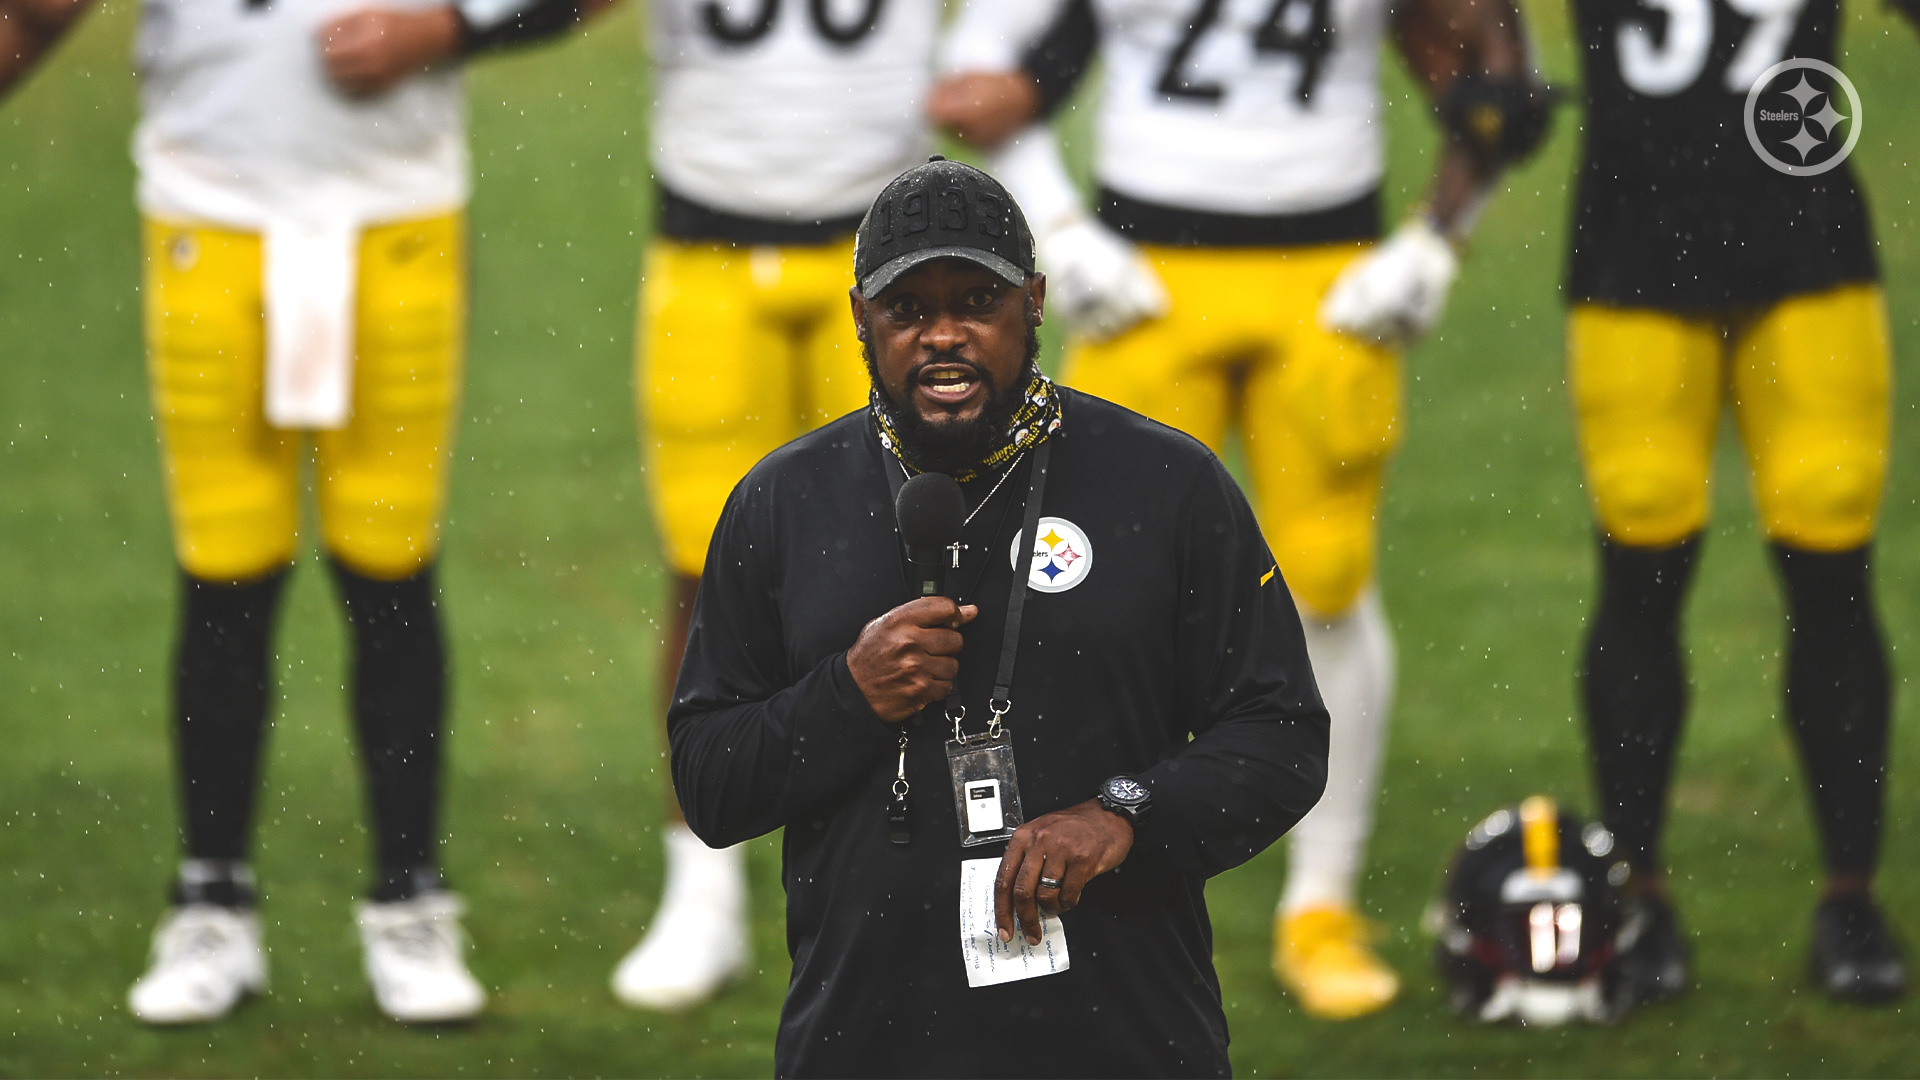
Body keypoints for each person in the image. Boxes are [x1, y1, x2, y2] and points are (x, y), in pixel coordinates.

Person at [928, 0, 1551, 1018]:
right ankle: (1076, 879)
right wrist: (1060, 224)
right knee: (1083, 591)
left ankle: (1320, 905)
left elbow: (1500, 82)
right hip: (1141, 275)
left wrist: (1441, 236)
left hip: (1325, 275)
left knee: (1331, 584)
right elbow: (976, 68)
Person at [669, 156, 1330, 1077]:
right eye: (909, 311)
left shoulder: (1168, 486)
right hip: (868, 1044)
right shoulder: (784, 504)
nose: (944, 337)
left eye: (976, 302)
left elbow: (1281, 733)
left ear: (1035, 302)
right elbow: (708, 782)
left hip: (1123, 1038)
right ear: (861, 317)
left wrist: (1123, 816)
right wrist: (847, 696)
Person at [109, 0, 601, 1024]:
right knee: (224, 574)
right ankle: (212, 903)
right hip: (206, 209)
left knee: (390, 570)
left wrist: (449, 29)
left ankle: (409, 901)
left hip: (394, 215)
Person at [1562, 0, 1914, 1004]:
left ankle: (1851, 895)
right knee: (1641, 547)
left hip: (1809, 250)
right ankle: (1640, 887)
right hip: (1634, 255)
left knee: (1832, 547)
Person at [614, 0, 946, 1010]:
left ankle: (922, 872)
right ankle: (701, 886)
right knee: (705, 574)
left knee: (920, 578)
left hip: (885, 247)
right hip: (712, 244)